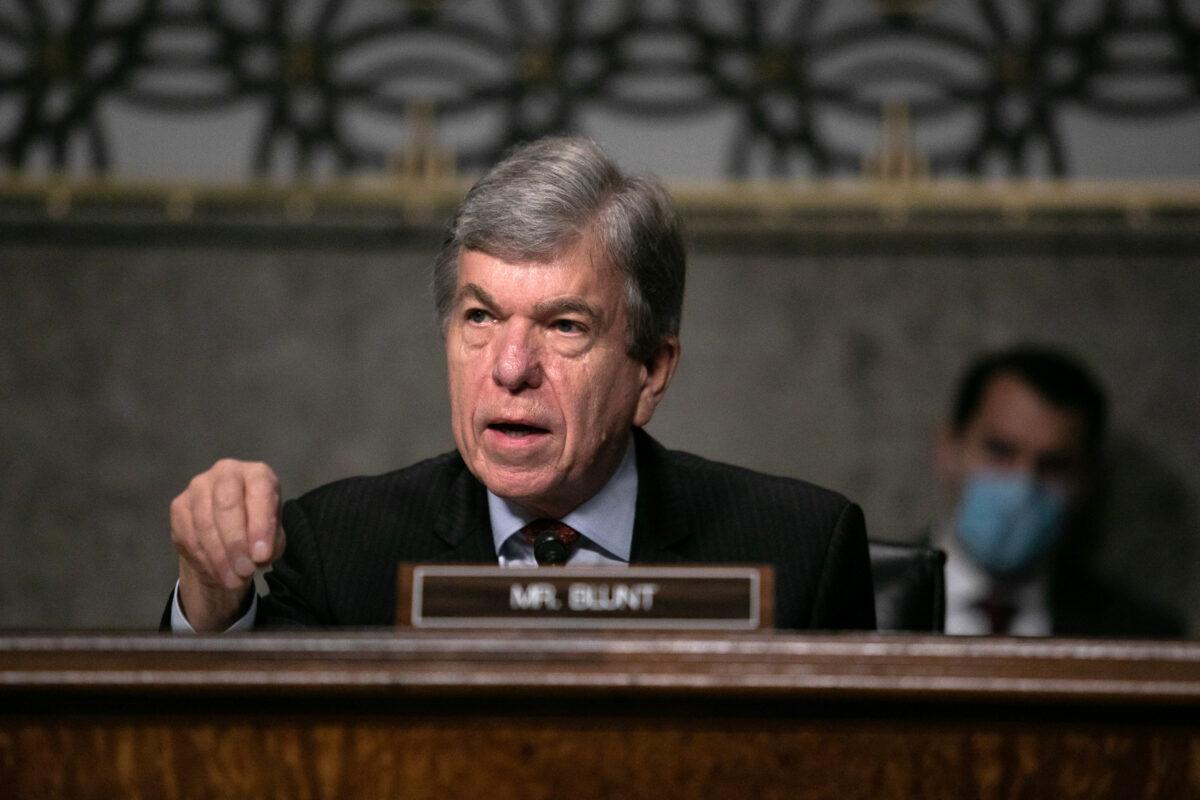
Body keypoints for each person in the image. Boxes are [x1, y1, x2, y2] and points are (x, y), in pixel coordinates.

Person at [165, 136, 876, 632]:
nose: (509, 367)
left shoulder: (799, 554)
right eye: (480, 316)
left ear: (651, 371)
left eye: (564, 326)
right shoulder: (335, 551)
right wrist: (210, 605)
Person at [932, 345, 1182, 637]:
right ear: (950, 448)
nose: (1022, 485)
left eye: (1055, 465)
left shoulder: (1141, 636)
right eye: (1000, 451)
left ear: (1086, 479)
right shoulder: (874, 600)